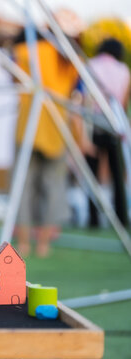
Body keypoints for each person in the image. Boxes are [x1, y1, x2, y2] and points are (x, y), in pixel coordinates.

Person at [13, 29, 78, 257]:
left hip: (28, 126)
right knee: (53, 186)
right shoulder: (67, 58)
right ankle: (43, 245)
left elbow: (13, 76)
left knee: (23, 186)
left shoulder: (27, 51)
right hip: (57, 128)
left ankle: (23, 243)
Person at [84, 38, 130, 228]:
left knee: (91, 174)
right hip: (113, 124)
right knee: (117, 174)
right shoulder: (124, 70)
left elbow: (84, 97)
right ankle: (121, 217)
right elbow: (123, 102)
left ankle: (93, 219)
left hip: (93, 123)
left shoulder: (90, 65)